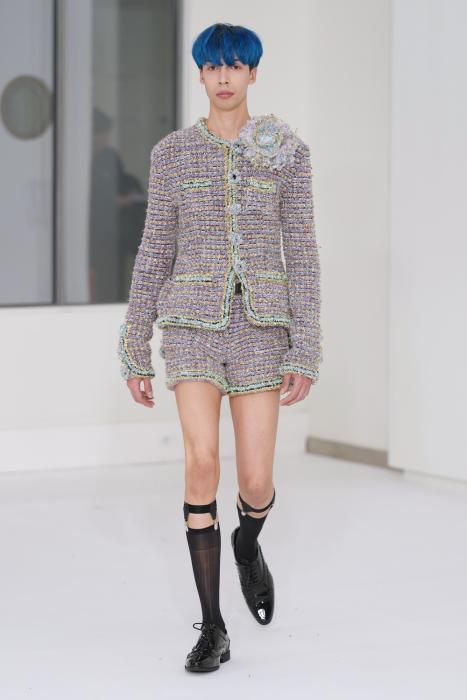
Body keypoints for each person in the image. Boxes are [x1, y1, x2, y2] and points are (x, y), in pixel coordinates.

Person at [117, 22, 323, 673]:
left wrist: (305, 347)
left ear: (253, 73)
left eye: (236, 66)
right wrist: (134, 343)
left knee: (256, 481)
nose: (224, 77)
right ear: (200, 74)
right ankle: (212, 627)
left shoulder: (287, 151)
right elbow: (154, 249)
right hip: (191, 327)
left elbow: (303, 253)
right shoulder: (172, 154)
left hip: (262, 330)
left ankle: (247, 542)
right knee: (201, 463)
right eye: (213, 67)